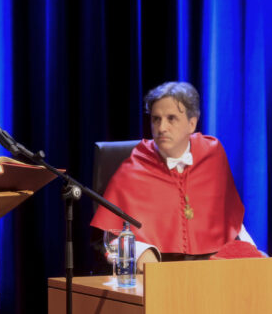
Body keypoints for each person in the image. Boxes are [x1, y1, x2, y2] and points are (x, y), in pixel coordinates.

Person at [90, 81, 259, 269]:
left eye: (171, 119)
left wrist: (252, 253)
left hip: (214, 268)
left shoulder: (213, 154)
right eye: (156, 119)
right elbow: (108, 238)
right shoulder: (133, 168)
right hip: (160, 269)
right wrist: (139, 252)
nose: (162, 128)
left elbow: (230, 222)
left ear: (192, 123)